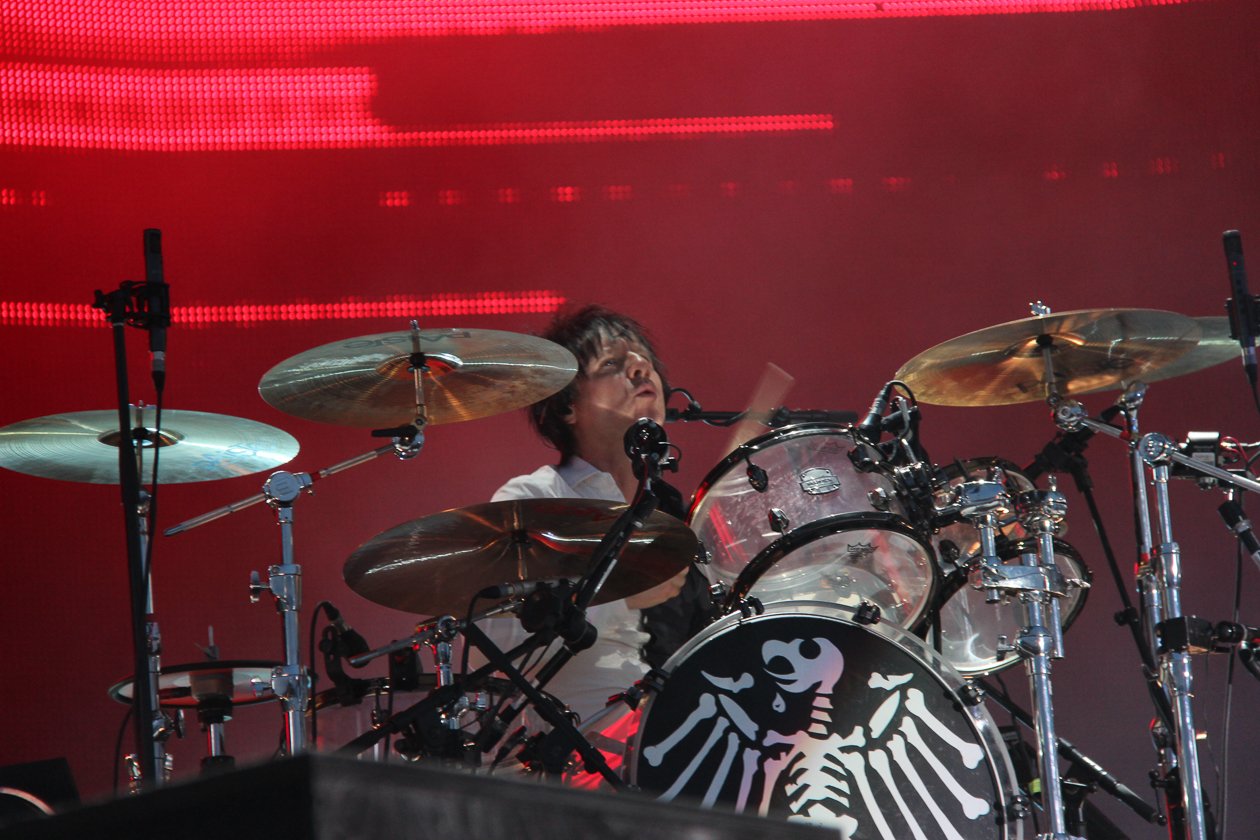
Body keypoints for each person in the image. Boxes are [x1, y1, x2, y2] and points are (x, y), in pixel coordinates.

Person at [483, 304, 714, 729]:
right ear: (568, 405)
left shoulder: (679, 518)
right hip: (579, 746)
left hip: (678, 734)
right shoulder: (535, 499)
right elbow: (493, 637)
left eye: (644, 360)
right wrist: (619, 596)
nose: (641, 370)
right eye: (613, 364)